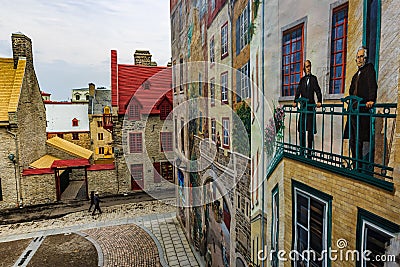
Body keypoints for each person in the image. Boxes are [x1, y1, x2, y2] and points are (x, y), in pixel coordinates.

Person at [344, 46, 377, 167]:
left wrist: (371, 100)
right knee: (352, 139)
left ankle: (359, 165)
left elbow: (372, 86)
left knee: (359, 139)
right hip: (353, 110)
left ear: (366, 58)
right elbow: (351, 91)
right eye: (357, 57)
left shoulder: (369, 70)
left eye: (361, 57)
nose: (359, 59)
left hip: (362, 110)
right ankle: (354, 163)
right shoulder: (355, 75)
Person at [293, 60, 322, 157]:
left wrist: (319, 101)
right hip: (303, 108)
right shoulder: (302, 80)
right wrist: (295, 101)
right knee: (301, 129)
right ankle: (302, 151)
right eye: (306, 67)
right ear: (304, 69)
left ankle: (309, 153)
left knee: (310, 131)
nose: (308, 68)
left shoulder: (314, 79)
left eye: (309, 66)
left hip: (310, 108)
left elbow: (318, 90)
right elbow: (298, 91)